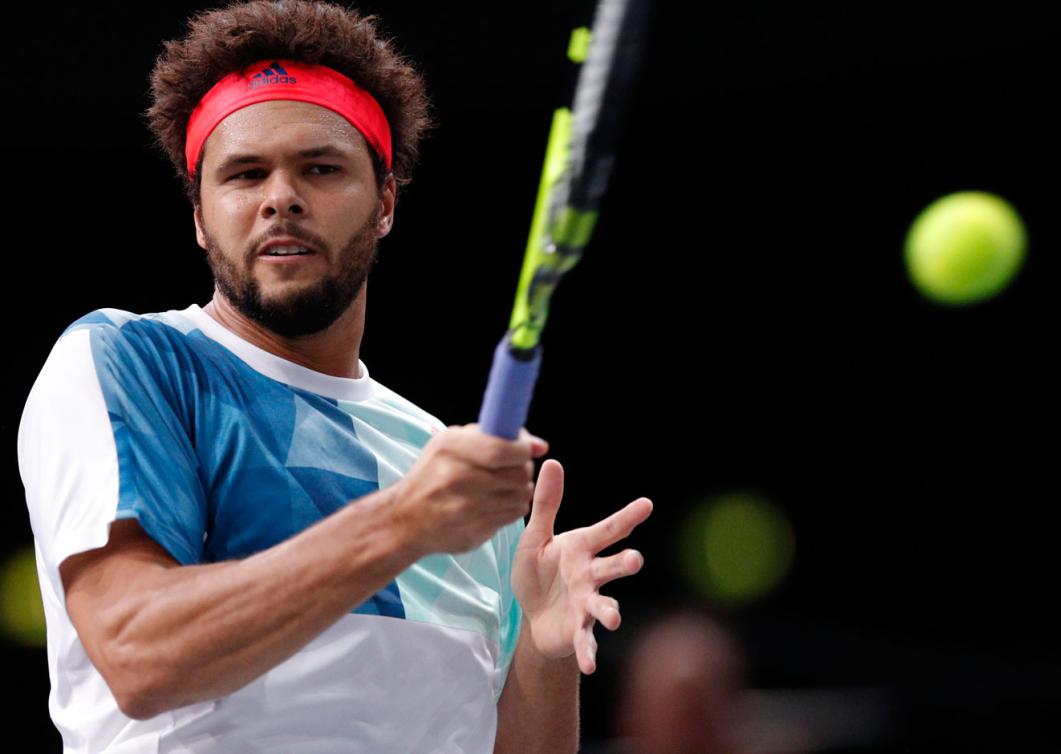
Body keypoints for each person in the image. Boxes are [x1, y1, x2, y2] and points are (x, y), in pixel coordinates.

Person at [15, 1, 652, 751]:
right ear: (198, 214)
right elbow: (137, 656)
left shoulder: (450, 474)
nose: (280, 197)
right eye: (244, 174)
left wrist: (543, 659)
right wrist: (403, 522)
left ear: (384, 201)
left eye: (319, 168)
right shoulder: (135, 362)